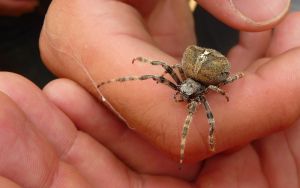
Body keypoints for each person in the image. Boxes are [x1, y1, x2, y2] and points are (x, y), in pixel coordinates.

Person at [0, 0, 300, 187]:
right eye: (182, 91)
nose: (181, 95)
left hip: (206, 62)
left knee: (192, 114)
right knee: (155, 70)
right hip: (199, 58)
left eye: (184, 92)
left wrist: (201, 141)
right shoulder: (181, 80)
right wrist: (118, 77)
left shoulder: (204, 93)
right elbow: (150, 68)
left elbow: (207, 116)